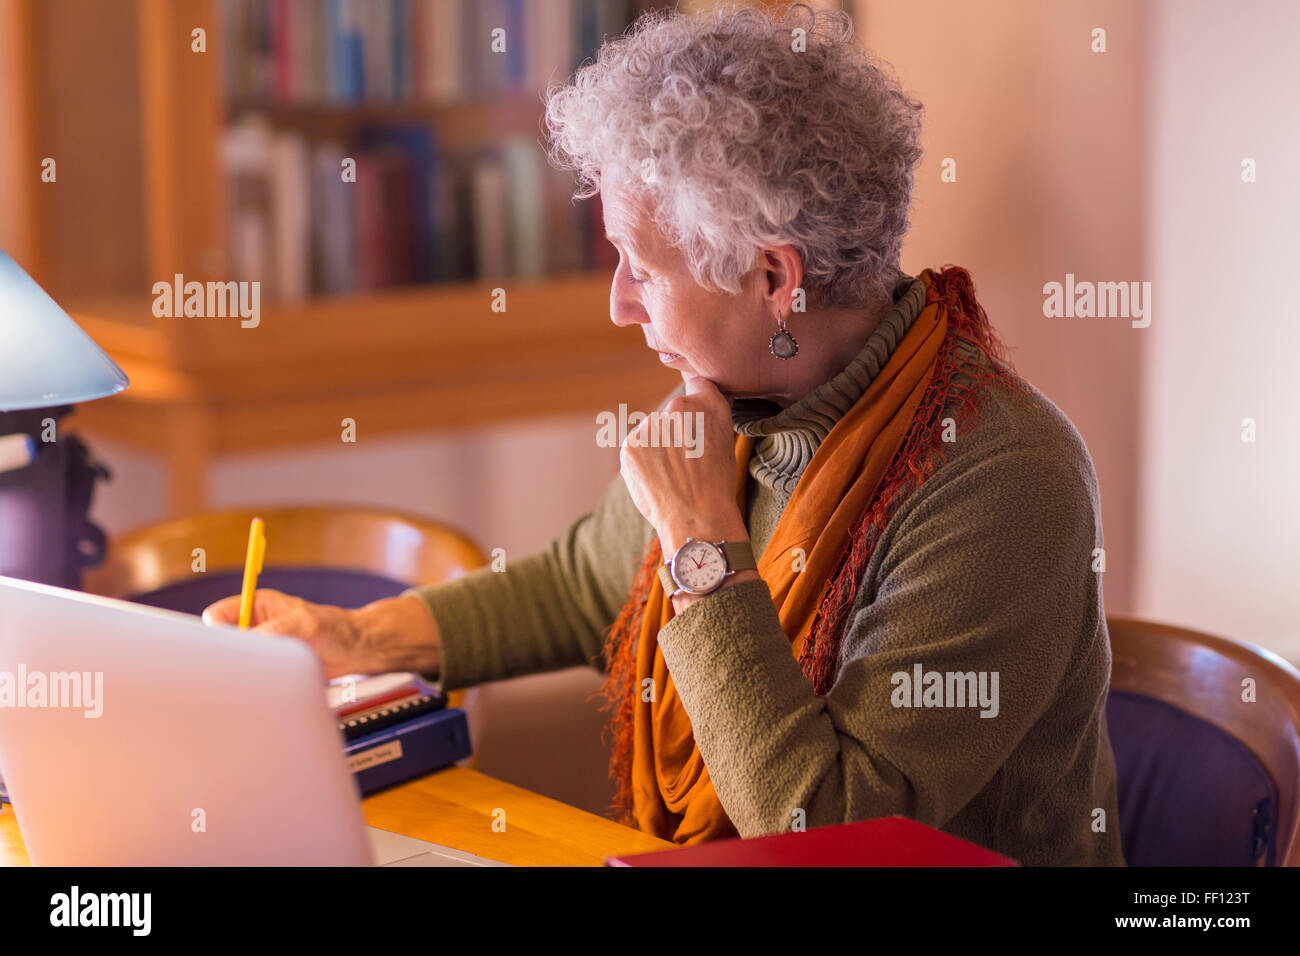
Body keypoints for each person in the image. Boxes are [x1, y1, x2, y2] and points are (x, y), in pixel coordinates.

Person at [204, 3, 1124, 865]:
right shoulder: (743, 406)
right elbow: (576, 586)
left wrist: (700, 545)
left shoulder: (1003, 481)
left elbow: (827, 828)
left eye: (641, 268)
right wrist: (355, 641)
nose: (618, 306)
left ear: (774, 279)